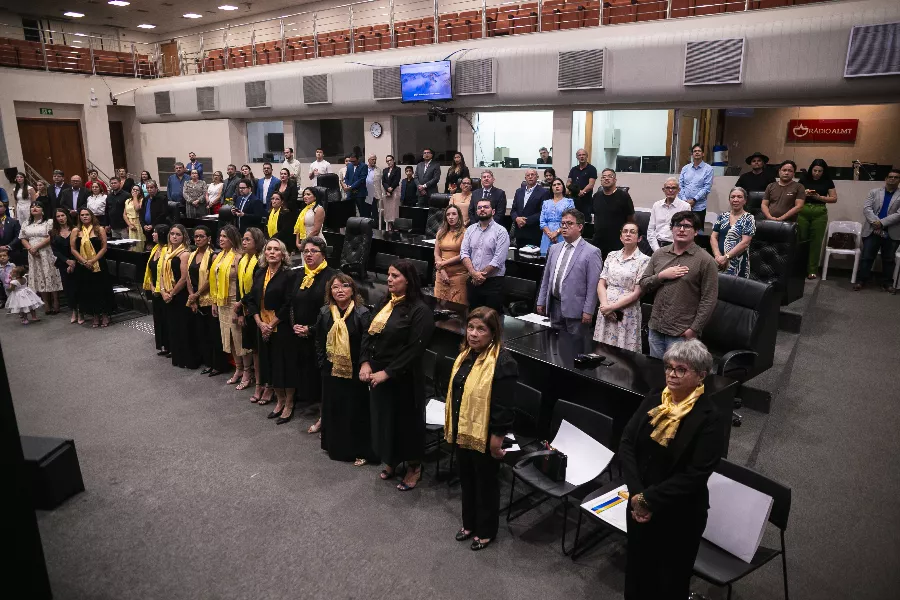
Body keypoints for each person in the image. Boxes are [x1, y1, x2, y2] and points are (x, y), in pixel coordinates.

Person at [620, 339, 723, 599]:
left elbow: (695, 475)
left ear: (701, 376)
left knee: (669, 583)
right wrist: (637, 495)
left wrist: (648, 500)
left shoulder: (710, 418)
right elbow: (627, 443)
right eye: (669, 367)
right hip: (639, 506)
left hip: (679, 516)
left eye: (681, 369)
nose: (672, 374)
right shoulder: (655, 398)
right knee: (637, 574)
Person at [446, 306, 516, 551]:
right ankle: (469, 523)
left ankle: (485, 531)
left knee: (485, 483)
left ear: (493, 333)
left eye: (481, 329)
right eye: (471, 327)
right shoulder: (466, 354)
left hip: (485, 434)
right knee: (466, 478)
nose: (473, 334)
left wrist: (496, 439)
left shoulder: (503, 363)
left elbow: (503, 407)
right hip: (463, 429)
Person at [360, 260, 434, 490]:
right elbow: (368, 333)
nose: (389, 279)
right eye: (389, 275)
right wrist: (364, 362)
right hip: (378, 371)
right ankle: (391, 459)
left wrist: (388, 372)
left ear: (408, 280)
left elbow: (414, 349)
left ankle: (414, 467)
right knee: (384, 420)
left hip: (404, 376)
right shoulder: (386, 302)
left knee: (405, 423)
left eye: (395, 276)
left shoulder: (420, 310)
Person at [640, 211, 719, 359]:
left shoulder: (706, 261)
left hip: (681, 332)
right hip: (656, 327)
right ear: (672, 229)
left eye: (687, 226)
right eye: (677, 225)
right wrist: (661, 276)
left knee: (678, 372)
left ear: (696, 231)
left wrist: (694, 329)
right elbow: (644, 284)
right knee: (654, 370)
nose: (681, 229)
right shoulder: (659, 254)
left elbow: (709, 299)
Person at [316, 273, 376, 464]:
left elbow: (368, 343)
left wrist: (365, 364)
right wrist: (322, 364)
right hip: (331, 370)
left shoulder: (362, 313)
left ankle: (360, 451)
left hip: (354, 370)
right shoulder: (325, 312)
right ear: (330, 292)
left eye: (344, 286)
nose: (340, 290)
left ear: (353, 290)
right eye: (335, 287)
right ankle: (336, 448)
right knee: (334, 409)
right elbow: (319, 340)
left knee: (355, 411)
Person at [245, 238, 298, 424]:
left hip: (281, 327)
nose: (272, 252)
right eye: (269, 249)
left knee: (285, 366)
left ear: (283, 254)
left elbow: (288, 303)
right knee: (269, 365)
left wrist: (271, 325)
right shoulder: (260, 272)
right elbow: (252, 300)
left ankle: (289, 403)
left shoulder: (289, 275)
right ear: (264, 253)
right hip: (262, 326)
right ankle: (279, 400)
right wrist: (259, 323)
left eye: (276, 249)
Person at [292, 237, 338, 433]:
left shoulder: (332, 277)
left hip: (322, 335)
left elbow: (332, 311)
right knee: (309, 375)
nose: (308, 254)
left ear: (323, 254)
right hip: (301, 333)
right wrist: (294, 325)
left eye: (313, 251)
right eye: (306, 251)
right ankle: (318, 409)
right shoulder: (300, 274)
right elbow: (292, 302)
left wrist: (310, 329)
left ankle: (325, 418)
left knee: (323, 379)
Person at [536, 208, 602, 337]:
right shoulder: (554, 248)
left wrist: (588, 310)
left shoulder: (592, 252)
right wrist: (541, 300)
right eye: (562, 223)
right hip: (555, 306)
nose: (564, 227)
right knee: (554, 344)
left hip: (577, 310)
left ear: (580, 227)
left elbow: (593, 285)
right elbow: (546, 278)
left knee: (575, 346)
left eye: (570, 223)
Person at [593, 221, 651, 351]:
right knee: (602, 350)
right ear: (620, 237)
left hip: (626, 311)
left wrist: (612, 308)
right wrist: (605, 306)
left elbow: (637, 293)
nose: (628, 234)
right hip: (605, 308)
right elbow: (601, 283)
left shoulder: (644, 260)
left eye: (632, 232)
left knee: (624, 353)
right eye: (625, 231)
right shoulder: (611, 255)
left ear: (639, 238)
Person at [209, 225, 251, 384]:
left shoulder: (239, 257)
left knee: (239, 338)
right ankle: (238, 368)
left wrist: (239, 310)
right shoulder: (219, 256)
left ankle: (247, 371)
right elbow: (215, 281)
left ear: (233, 239)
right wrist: (214, 302)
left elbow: (242, 284)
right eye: (220, 236)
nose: (221, 239)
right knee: (229, 338)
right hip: (222, 302)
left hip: (235, 302)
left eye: (225, 236)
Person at [186, 226, 228, 376]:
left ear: (209, 238)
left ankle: (218, 365)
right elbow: (187, 277)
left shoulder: (213, 256)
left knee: (213, 334)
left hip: (209, 299)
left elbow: (211, 279)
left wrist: (196, 294)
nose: (197, 239)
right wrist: (192, 296)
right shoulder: (192, 255)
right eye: (196, 236)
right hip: (195, 298)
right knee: (202, 333)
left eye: (201, 236)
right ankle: (209, 362)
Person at [461, 198, 510, 312]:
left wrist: (480, 276)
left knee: (491, 318)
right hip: (473, 281)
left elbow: (498, 259)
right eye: (479, 208)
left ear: (493, 211)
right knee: (473, 315)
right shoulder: (470, 230)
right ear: (476, 211)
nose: (482, 209)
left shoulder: (501, 231)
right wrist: (474, 273)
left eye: (486, 207)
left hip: (493, 283)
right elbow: (464, 253)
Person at [160, 224, 199, 368]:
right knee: (173, 327)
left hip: (180, 294)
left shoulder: (185, 253)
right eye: (172, 234)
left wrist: (172, 293)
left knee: (183, 328)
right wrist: (163, 291)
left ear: (184, 237)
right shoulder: (167, 252)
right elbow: (162, 274)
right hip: (168, 293)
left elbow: (184, 278)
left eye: (178, 234)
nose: (174, 237)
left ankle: (188, 359)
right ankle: (177, 357)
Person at [856, 169, 900, 293]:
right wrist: (876, 222)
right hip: (872, 229)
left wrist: (881, 223)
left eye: (896, 177)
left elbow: (899, 214)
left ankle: (887, 283)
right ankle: (861, 280)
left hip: (892, 231)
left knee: (888, 259)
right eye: (890, 176)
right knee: (867, 257)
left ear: (899, 180)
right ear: (886, 179)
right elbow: (867, 208)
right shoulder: (874, 192)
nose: (892, 179)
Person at [70, 208, 114, 328]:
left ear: (91, 216)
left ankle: (104, 314)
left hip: (98, 263)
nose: (84, 217)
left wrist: (93, 260)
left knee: (101, 289)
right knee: (88, 290)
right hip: (83, 265)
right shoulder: (76, 230)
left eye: (87, 214)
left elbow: (104, 248)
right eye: (82, 215)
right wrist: (84, 261)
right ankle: (94, 315)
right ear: (79, 217)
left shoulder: (99, 229)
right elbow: (73, 249)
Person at [237, 228, 266, 399]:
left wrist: (241, 302)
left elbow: (256, 289)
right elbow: (239, 286)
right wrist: (240, 310)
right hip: (246, 309)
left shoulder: (260, 262)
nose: (244, 242)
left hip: (258, 310)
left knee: (260, 350)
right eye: (243, 239)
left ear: (257, 241)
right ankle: (257, 381)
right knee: (253, 349)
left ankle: (263, 384)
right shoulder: (243, 260)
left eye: (248, 239)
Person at [19, 202, 63, 314]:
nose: (34, 208)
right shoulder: (26, 223)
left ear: (43, 210)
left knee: (50, 274)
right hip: (33, 254)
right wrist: (30, 248)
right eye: (32, 207)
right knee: (39, 276)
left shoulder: (49, 222)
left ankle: (56, 301)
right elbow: (22, 238)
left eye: (38, 206)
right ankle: (46, 303)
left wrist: (37, 247)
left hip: (47, 251)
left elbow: (51, 236)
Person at [797, 159, 837, 279]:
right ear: (811, 169)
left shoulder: (827, 181)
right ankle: (799, 268)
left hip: (819, 212)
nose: (817, 173)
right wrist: (804, 193)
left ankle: (812, 270)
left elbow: (834, 198)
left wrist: (819, 197)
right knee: (801, 239)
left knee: (816, 241)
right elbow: (795, 194)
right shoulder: (804, 179)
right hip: (803, 211)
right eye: (815, 170)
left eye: (820, 171)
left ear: (824, 171)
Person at [711, 187, 756, 278]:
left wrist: (726, 257)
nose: (735, 200)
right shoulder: (722, 216)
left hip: (738, 264)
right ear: (729, 200)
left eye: (739, 197)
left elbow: (745, 242)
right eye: (733, 197)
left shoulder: (749, 218)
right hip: (719, 262)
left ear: (745, 201)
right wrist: (717, 256)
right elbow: (713, 237)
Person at [592, 168, 635, 259]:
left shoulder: (624, 196)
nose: (606, 178)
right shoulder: (596, 196)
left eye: (609, 176)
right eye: (604, 177)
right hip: (599, 241)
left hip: (617, 242)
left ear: (615, 180)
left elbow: (630, 219)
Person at [142, 224, 170, 354]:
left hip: (165, 290)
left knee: (167, 319)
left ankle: (171, 346)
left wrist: (160, 288)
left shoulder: (167, 250)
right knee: (158, 319)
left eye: (155, 232)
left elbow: (165, 272)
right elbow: (151, 270)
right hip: (154, 288)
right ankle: (163, 345)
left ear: (162, 234)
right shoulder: (154, 248)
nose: (153, 234)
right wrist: (152, 286)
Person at [434, 204, 468, 304]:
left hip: (458, 275)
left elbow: (463, 255)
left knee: (457, 307)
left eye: (454, 214)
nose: (451, 217)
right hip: (442, 274)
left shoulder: (465, 233)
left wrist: (442, 264)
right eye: (448, 214)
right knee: (439, 306)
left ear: (459, 216)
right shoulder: (441, 232)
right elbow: (437, 253)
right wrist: (442, 270)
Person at [511, 168, 552, 249]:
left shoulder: (544, 192)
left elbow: (542, 212)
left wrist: (525, 221)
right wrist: (516, 218)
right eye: (528, 175)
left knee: (533, 256)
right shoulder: (519, 191)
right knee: (518, 255)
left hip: (534, 232)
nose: (530, 177)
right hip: (519, 232)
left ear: (537, 177)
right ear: (525, 178)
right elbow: (513, 210)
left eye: (532, 175)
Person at [50, 208, 78, 323]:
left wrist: (74, 261)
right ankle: (74, 311)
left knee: (78, 287)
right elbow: (55, 251)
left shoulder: (75, 229)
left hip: (77, 261)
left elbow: (79, 246)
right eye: (58, 216)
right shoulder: (53, 232)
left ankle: (81, 311)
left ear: (67, 216)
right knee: (68, 288)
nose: (61, 218)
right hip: (63, 263)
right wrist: (67, 261)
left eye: (63, 215)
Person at [648, 178, 691, 252]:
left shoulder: (685, 207)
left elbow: (686, 231)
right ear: (663, 190)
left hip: (675, 247)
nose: (670, 190)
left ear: (678, 190)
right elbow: (651, 230)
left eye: (673, 188)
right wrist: (657, 250)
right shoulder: (656, 205)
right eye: (667, 188)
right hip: (656, 246)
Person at [677, 144, 714, 229]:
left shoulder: (708, 169)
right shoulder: (685, 168)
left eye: (699, 151)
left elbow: (706, 188)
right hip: (684, 205)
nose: (697, 152)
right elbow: (680, 185)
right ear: (692, 154)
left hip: (699, 207)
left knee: (697, 231)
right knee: (683, 229)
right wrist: (684, 200)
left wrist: (694, 200)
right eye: (695, 151)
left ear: (703, 154)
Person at [539, 177, 575, 255]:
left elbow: (569, 220)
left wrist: (556, 233)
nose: (557, 186)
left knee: (561, 257)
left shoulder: (569, 202)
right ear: (551, 188)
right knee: (546, 258)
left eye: (559, 184)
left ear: (563, 187)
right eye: (554, 185)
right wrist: (550, 234)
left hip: (563, 233)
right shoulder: (546, 203)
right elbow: (542, 221)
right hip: (547, 235)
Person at [566, 148, 598, 214]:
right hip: (573, 200)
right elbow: (568, 183)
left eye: (583, 155)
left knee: (585, 218)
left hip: (586, 200)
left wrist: (582, 192)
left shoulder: (592, 169)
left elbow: (591, 185)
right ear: (577, 157)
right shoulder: (573, 169)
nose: (581, 156)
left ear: (587, 156)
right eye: (579, 155)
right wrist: (576, 191)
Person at [0, 201, 23, 267]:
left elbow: (18, 236)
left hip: (12, 253)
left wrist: (8, 246)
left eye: (0, 206)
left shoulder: (14, 222)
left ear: (5, 208)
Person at [122, 185, 144, 252]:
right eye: (133, 189)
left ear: (140, 192)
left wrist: (135, 197)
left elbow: (137, 208)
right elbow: (124, 214)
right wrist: (129, 224)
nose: (135, 191)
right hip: (130, 223)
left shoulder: (142, 200)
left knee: (139, 244)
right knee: (132, 244)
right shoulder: (127, 201)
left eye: (137, 190)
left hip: (138, 223)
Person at [382, 155, 402, 226]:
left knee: (394, 209)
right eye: (387, 161)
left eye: (390, 160)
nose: (389, 162)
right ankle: (389, 225)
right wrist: (387, 189)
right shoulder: (385, 170)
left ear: (393, 160)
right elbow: (383, 181)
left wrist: (391, 188)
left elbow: (397, 180)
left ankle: (395, 226)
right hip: (386, 192)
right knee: (388, 209)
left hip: (395, 190)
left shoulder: (398, 169)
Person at [363, 154, 383, 222]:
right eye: (372, 159)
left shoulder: (378, 170)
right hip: (365, 194)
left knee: (374, 212)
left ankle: (375, 225)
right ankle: (366, 225)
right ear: (368, 160)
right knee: (366, 212)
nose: (374, 161)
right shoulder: (364, 169)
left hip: (374, 194)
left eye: (375, 159)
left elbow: (381, 182)